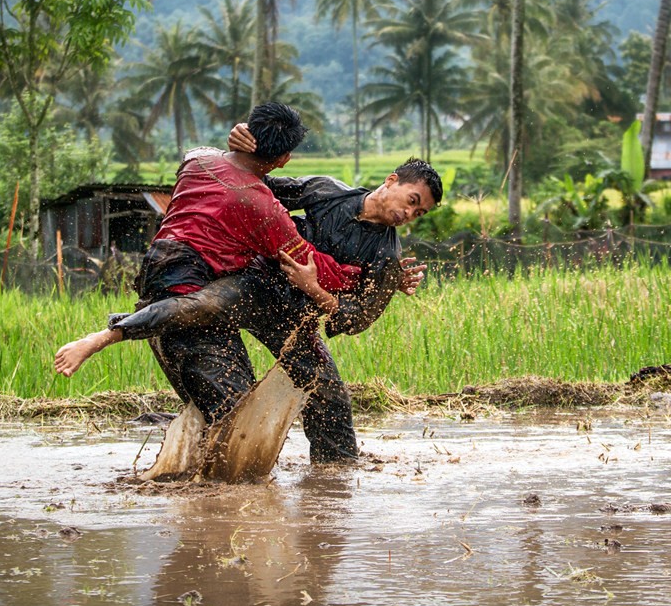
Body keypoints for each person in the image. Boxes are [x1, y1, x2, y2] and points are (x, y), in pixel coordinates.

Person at [55, 117, 444, 462]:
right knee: (201, 307)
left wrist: (316, 290)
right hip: (256, 283)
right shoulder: (327, 191)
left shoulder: (387, 257)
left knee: (330, 397)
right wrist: (242, 144)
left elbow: (357, 319)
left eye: (420, 213)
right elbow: (253, 180)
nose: (410, 214)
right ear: (392, 181)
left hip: (294, 319)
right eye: (412, 201)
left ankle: (334, 484)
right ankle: (111, 333)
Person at [54, 101, 358, 425]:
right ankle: (106, 344)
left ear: (248, 133)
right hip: (186, 292)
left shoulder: (198, 161)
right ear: (283, 160)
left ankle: (168, 437)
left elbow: (195, 150)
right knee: (237, 420)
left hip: (158, 275)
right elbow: (310, 262)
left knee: (226, 414)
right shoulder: (260, 205)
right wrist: (365, 275)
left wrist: (236, 133)